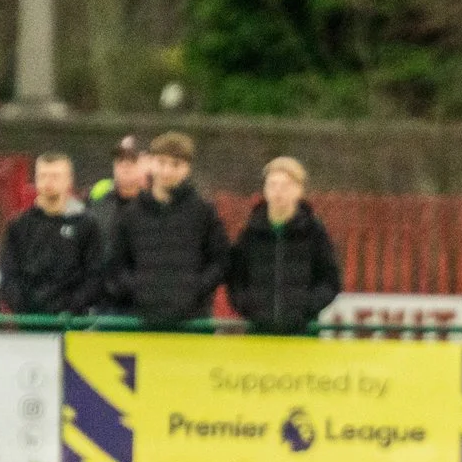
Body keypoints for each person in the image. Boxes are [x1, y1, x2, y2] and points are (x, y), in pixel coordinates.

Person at [109, 131, 229, 328]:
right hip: (142, 322)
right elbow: (116, 264)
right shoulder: (131, 214)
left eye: (175, 164)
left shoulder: (203, 211)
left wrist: (194, 289)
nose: (167, 171)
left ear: (187, 168)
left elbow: (220, 262)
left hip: (193, 323)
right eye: (162, 162)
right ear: (151, 163)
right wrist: (139, 290)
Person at [226, 157, 344, 335]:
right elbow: (235, 279)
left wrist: (305, 308)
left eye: (286, 186)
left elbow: (330, 281)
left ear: (299, 190)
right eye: (272, 185)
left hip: (302, 334)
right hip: (258, 333)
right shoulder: (250, 232)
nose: (278, 192)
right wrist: (249, 307)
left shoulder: (314, 232)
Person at [0, 153, 105, 319]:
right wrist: (25, 310)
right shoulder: (18, 225)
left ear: (69, 180)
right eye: (43, 176)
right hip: (29, 325)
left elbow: (95, 275)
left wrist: (71, 309)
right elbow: (8, 276)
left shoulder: (86, 224)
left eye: (55, 176)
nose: (48, 181)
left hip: (73, 325)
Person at [85, 135, 148, 293]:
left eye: (133, 159)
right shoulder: (98, 202)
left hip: (142, 299)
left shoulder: (156, 204)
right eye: (120, 159)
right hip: (101, 299)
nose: (125, 164)